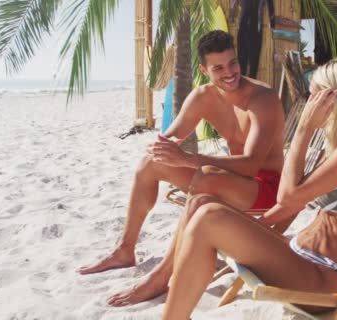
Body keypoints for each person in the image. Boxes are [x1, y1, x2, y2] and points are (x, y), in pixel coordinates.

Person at [160, 57, 337, 319]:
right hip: (299, 255)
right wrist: (252, 228)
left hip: (323, 279)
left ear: (334, 99)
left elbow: (287, 195)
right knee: (201, 204)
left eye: (314, 96)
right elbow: (292, 203)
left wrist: (304, 129)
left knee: (208, 219)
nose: (309, 104)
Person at [77, 30, 286, 304]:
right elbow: (171, 137)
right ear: (204, 69)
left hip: (265, 189)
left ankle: (160, 278)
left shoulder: (263, 100)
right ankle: (125, 250)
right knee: (150, 163)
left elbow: (250, 165)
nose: (230, 73)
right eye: (219, 67)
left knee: (207, 178)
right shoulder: (204, 97)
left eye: (233, 63)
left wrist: (187, 159)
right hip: (230, 182)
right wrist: (160, 148)